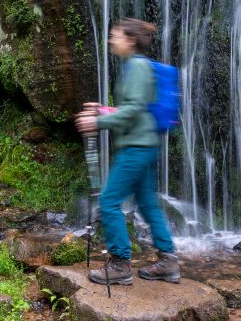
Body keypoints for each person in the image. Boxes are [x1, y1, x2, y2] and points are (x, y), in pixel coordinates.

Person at [75, 18, 179, 285]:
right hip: (145, 145)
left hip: (135, 148)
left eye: (115, 35)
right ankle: (168, 262)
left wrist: (97, 121)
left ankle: (120, 264)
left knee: (109, 201)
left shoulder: (136, 67)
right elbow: (137, 109)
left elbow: (132, 112)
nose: (111, 40)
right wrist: (104, 110)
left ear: (130, 40)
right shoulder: (137, 66)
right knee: (147, 204)